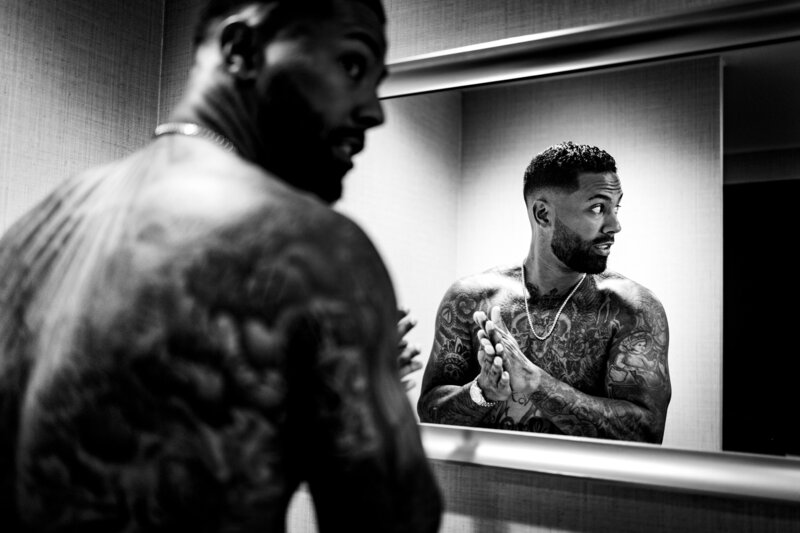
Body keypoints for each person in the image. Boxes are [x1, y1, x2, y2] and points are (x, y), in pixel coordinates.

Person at [0, 1, 442, 531]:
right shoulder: (313, 250)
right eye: (352, 65)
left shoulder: (39, 228)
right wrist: (360, 387)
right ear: (242, 50)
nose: (374, 110)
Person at [417, 141, 671, 443]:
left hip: (585, 491)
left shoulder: (631, 309)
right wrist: (480, 392)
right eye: (598, 207)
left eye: (616, 207)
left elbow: (647, 432)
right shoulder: (471, 300)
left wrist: (537, 384)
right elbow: (429, 412)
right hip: (481, 489)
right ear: (543, 215)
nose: (615, 225)